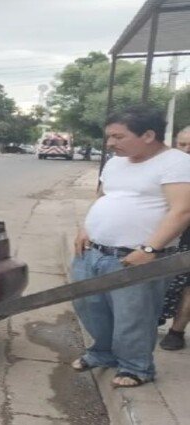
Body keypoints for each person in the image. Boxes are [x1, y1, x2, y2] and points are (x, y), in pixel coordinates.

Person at [70, 105, 190, 388]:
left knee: (133, 315)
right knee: (90, 306)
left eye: (118, 136)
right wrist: (84, 228)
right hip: (93, 252)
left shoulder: (177, 162)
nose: (110, 143)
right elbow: (102, 196)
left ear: (148, 135)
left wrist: (149, 250)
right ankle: (102, 353)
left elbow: (182, 211)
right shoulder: (114, 163)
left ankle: (136, 367)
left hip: (135, 257)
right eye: (109, 137)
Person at [159, 126, 190, 350]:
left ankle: (177, 331)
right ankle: (151, 319)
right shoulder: (168, 167)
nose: (187, 150)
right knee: (158, 279)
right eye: (182, 144)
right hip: (168, 234)